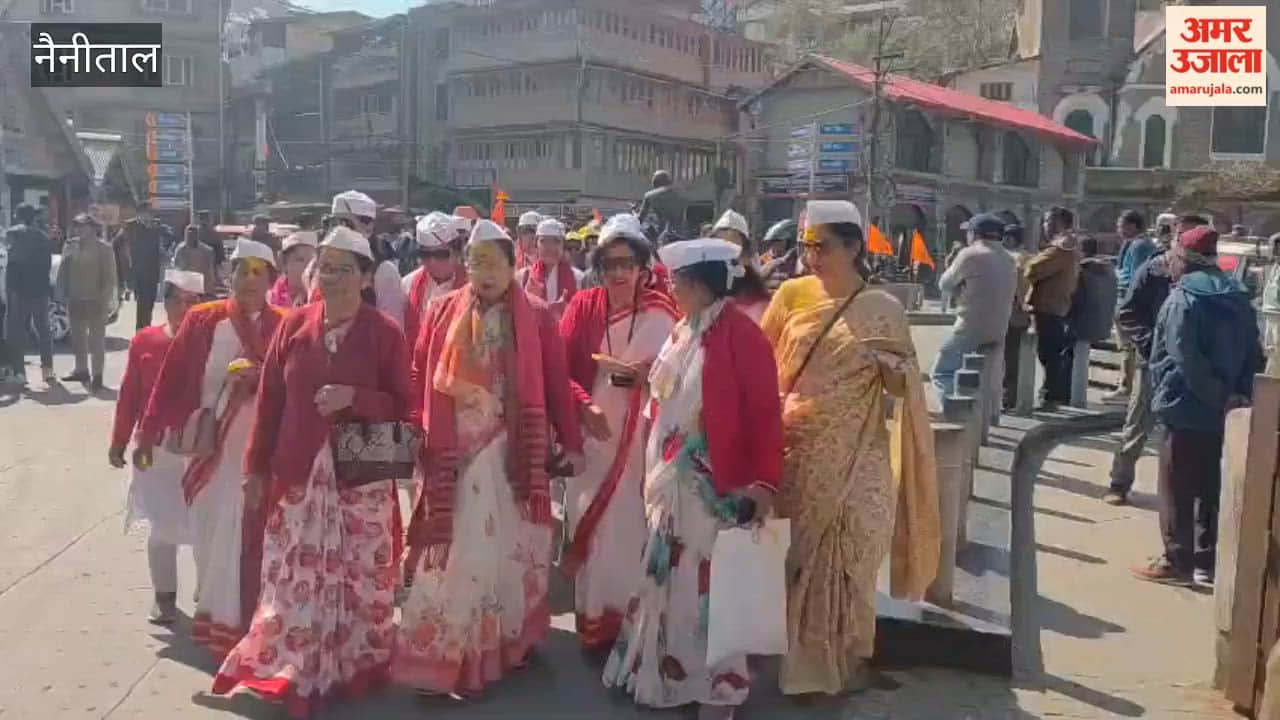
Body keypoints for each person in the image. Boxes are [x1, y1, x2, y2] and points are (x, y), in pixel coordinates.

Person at [212, 228, 412, 715]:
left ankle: (354, 665)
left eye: (345, 269)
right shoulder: (296, 325)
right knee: (293, 578)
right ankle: (296, 668)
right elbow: (270, 403)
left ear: (366, 277)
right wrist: (255, 468)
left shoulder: (385, 332)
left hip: (362, 475)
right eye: (326, 268)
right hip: (298, 473)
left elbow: (405, 408)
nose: (333, 278)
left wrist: (355, 399)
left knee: (360, 578)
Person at [393, 219, 584, 696]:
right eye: (477, 263)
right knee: (458, 552)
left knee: (509, 552)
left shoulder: (536, 315)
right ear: (466, 265)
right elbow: (419, 370)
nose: (486, 273)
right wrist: (415, 424)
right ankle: (445, 652)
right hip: (453, 452)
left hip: (512, 452)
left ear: (512, 265)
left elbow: (556, 382)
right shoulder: (441, 310)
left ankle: (503, 643)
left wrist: (572, 441)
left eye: (495, 263)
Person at [760, 200, 938, 696]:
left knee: (855, 558)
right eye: (806, 247)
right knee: (800, 562)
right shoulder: (791, 295)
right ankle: (803, 669)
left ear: (854, 247)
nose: (811, 257)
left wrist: (891, 367)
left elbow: (903, 387)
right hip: (799, 452)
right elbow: (761, 361)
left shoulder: (884, 309)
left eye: (822, 247)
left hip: (860, 454)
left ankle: (849, 660)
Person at [602, 238, 782, 720]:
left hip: (714, 487)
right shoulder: (683, 331)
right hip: (670, 483)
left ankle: (717, 689)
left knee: (707, 590)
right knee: (671, 581)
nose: (672, 290)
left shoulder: (742, 336)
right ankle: (668, 674)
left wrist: (764, 482)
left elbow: (766, 414)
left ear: (702, 285)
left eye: (678, 282)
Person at [133, 238, 284, 657]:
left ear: (271, 280)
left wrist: (258, 381)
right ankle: (216, 615)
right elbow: (169, 380)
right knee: (210, 534)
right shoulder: (203, 319)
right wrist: (147, 434)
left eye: (258, 272)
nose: (248, 279)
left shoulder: (285, 323)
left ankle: (248, 622)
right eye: (241, 270)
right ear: (226, 274)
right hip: (209, 449)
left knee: (252, 537)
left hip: (259, 450)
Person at [557, 228, 678, 651]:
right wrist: (583, 407)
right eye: (610, 265)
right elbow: (559, 370)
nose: (619, 273)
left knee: (631, 530)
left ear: (644, 269)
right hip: (593, 436)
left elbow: (684, 378)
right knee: (593, 527)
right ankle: (595, 622)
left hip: (643, 440)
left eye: (628, 264)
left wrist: (648, 375)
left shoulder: (663, 313)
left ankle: (631, 625)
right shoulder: (584, 306)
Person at [1133, 225, 1262, 588]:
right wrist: (1236, 396)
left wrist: (1215, 395)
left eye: (1173, 258)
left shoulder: (1183, 299)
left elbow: (1184, 357)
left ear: (1184, 260)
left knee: (1176, 485)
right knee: (1211, 485)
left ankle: (1177, 561)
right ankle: (1207, 560)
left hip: (1185, 406)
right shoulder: (1238, 296)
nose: (1170, 265)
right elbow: (1254, 353)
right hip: (1227, 411)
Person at [110, 270, 205, 624]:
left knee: (205, 526)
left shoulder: (215, 343)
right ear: (164, 303)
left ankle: (208, 594)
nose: (183, 308)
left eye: (191, 301)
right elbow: (130, 395)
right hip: (155, 449)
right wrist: (120, 440)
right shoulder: (145, 341)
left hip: (201, 449)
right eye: (175, 300)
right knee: (163, 525)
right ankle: (164, 597)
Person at [1107, 213, 1202, 505]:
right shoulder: (1154, 269)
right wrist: (1150, 345)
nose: (1185, 242)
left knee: (1189, 432)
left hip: (1191, 365)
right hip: (1152, 361)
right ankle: (1119, 482)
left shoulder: (1208, 277)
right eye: (1181, 235)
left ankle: (1186, 496)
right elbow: (1128, 312)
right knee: (1137, 422)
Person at [930, 213, 1017, 398]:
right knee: (985, 378)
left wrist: (952, 264)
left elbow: (944, 284)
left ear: (975, 233)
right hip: (999, 328)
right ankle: (982, 412)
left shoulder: (971, 254)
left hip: (970, 327)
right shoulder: (1009, 259)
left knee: (942, 373)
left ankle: (953, 409)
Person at [1026, 207, 1082, 409]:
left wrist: (1027, 264)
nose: (1045, 225)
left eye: (1049, 221)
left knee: (1048, 352)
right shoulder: (1069, 245)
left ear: (1060, 223)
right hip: (1056, 305)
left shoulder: (1061, 248)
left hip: (1049, 305)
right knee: (1052, 352)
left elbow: (1032, 268)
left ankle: (1051, 396)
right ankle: (1055, 394)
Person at [57, 213, 118, 389]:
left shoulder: (104, 248)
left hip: (95, 301)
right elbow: (62, 271)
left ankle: (97, 376)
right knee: (77, 338)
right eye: (77, 226)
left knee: (96, 341)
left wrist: (104, 301)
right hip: (75, 299)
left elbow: (110, 278)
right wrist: (61, 295)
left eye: (83, 226)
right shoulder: (70, 245)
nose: (79, 229)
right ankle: (81, 370)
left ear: (92, 228)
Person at [329, 190, 406, 328]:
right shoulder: (317, 267)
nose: (337, 231)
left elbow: (392, 327)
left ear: (368, 228)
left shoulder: (384, 272)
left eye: (345, 223)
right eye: (333, 223)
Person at [3, 202, 54, 384]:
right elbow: (47, 266)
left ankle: (20, 373)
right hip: (40, 291)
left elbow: (13, 266)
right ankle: (47, 371)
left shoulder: (14, 234)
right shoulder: (43, 237)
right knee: (43, 332)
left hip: (19, 293)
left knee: (15, 333)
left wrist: (11, 291)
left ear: (18, 216)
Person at [402, 212, 468, 352]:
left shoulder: (472, 285)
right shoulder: (408, 284)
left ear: (456, 251)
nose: (432, 262)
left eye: (440, 254)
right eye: (426, 255)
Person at [1104, 210, 1152, 402]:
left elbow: (1134, 276)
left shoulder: (1140, 246)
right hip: (1127, 299)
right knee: (1127, 346)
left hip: (1128, 300)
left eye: (1121, 225)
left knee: (1127, 346)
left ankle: (1126, 387)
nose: (1118, 229)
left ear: (1132, 226)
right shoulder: (1136, 244)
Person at [1067, 234, 1118, 374]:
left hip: (1080, 323)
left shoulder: (1083, 270)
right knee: (1082, 360)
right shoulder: (1109, 270)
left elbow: (1075, 298)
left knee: (1076, 363)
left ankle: (1076, 389)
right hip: (1100, 322)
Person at [709, 210, 771, 322]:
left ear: (745, 255)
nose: (726, 254)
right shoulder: (700, 292)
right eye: (720, 245)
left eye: (733, 247)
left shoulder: (757, 299)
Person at [517, 218, 584, 320]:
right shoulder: (523, 277)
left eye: (556, 241)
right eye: (543, 241)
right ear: (536, 245)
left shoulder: (578, 278)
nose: (549, 248)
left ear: (563, 246)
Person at [113, 203, 166, 329]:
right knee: (142, 305)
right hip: (138, 271)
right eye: (146, 212)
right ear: (140, 213)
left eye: (150, 212)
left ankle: (145, 329)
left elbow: (165, 242)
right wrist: (125, 264)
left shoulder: (156, 226)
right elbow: (116, 243)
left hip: (152, 271)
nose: (149, 215)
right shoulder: (131, 226)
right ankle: (141, 331)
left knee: (150, 304)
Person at [1002, 224, 1033, 409]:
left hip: (1012, 313)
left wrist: (1022, 304)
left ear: (1012, 239)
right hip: (1023, 314)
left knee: (1008, 357)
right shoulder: (1030, 257)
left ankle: (1008, 398)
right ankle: (1013, 397)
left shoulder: (1014, 259)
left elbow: (1019, 287)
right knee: (1016, 358)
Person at [267, 231, 318, 308]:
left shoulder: (326, 300)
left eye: (312, 260)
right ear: (285, 265)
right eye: (300, 260)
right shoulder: (269, 299)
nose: (308, 265)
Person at [636, 170, 687, 237]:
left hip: (658, 233)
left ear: (655, 181)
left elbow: (640, 218)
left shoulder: (649, 195)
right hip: (678, 232)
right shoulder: (680, 194)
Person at [174, 224, 218, 300]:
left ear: (197, 235)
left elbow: (210, 269)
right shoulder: (180, 249)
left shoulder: (206, 251)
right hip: (185, 285)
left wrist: (210, 286)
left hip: (200, 285)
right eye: (188, 234)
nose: (190, 236)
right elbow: (176, 266)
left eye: (193, 234)